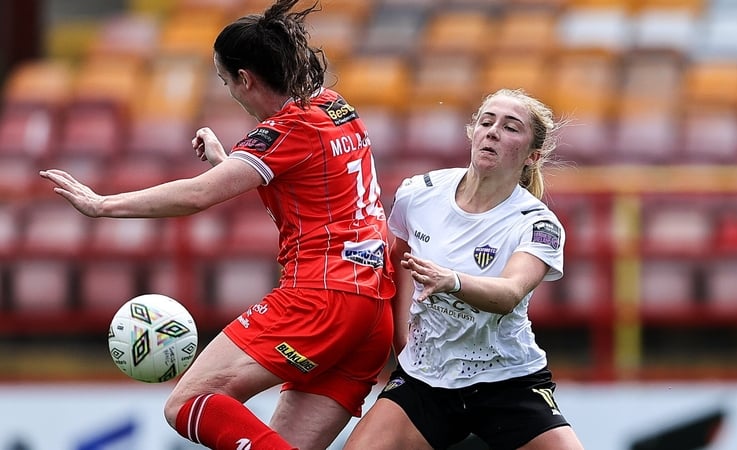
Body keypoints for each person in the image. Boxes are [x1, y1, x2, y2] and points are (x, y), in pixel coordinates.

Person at [39, 1, 395, 449]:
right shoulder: (335, 108)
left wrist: (102, 204)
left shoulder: (285, 131)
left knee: (187, 402)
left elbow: (197, 195)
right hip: (370, 311)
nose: (229, 90)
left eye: (226, 80)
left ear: (245, 78)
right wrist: (229, 163)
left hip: (320, 301)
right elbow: (313, 195)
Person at [344, 88, 585, 450]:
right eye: (486, 122)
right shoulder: (419, 193)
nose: (492, 132)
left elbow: (510, 294)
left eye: (510, 127)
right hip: (425, 378)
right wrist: (402, 339)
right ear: (472, 133)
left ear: (532, 156)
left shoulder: (538, 224)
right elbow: (401, 262)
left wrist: (452, 281)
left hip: (507, 379)